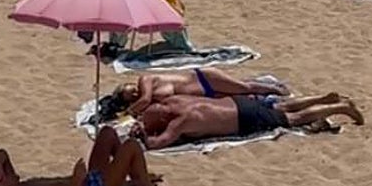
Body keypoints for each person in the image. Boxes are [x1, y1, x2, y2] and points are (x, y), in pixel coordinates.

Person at [0, 126, 174, 186]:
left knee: (107, 133)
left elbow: (3, 154)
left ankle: (136, 177)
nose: (6, 172)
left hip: (88, 180)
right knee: (131, 146)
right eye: (0, 178)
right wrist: (76, 181)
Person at [134, 92, 362, 149]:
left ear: (164, 117)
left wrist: (143, 134)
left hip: (243, 118)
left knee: (293, 118)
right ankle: (323, 98)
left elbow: (157, 143)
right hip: (237, 102)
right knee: (282, 106)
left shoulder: (180, 121)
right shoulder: (174, 101)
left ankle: (339, 107)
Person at [114, 71, 286, 116]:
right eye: (132, 97)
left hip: (204, 79)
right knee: (240, 99)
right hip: (203, 96)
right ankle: (271, 98)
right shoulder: (147, 103)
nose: (136, 93)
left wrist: (126, 113)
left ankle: (277, 89)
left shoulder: (146, 80)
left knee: (244, 87)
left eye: (132, 90)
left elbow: (144, 100)